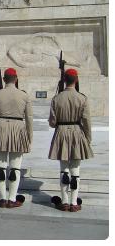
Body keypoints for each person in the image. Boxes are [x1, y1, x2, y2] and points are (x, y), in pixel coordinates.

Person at [0, 68, 33, 208]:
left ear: (4, 79)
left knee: (0, 167)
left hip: (0, 128)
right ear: (16, 79)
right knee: (15, 168)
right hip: (18, 129)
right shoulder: (24, 96)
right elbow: (29, 118)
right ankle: (12, 199)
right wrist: (29, 137)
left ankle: (2, 198)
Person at [49, 68, 93, 212]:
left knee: (64, 170)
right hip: (76, 133)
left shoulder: (56, 98)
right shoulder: (82, 98)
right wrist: (88, 138)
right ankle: (74, 202)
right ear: (76, 80)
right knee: (76, 170)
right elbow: (86, 121)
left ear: (64, 81)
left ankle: (65, 201)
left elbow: (52, 122)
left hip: (61, 132)